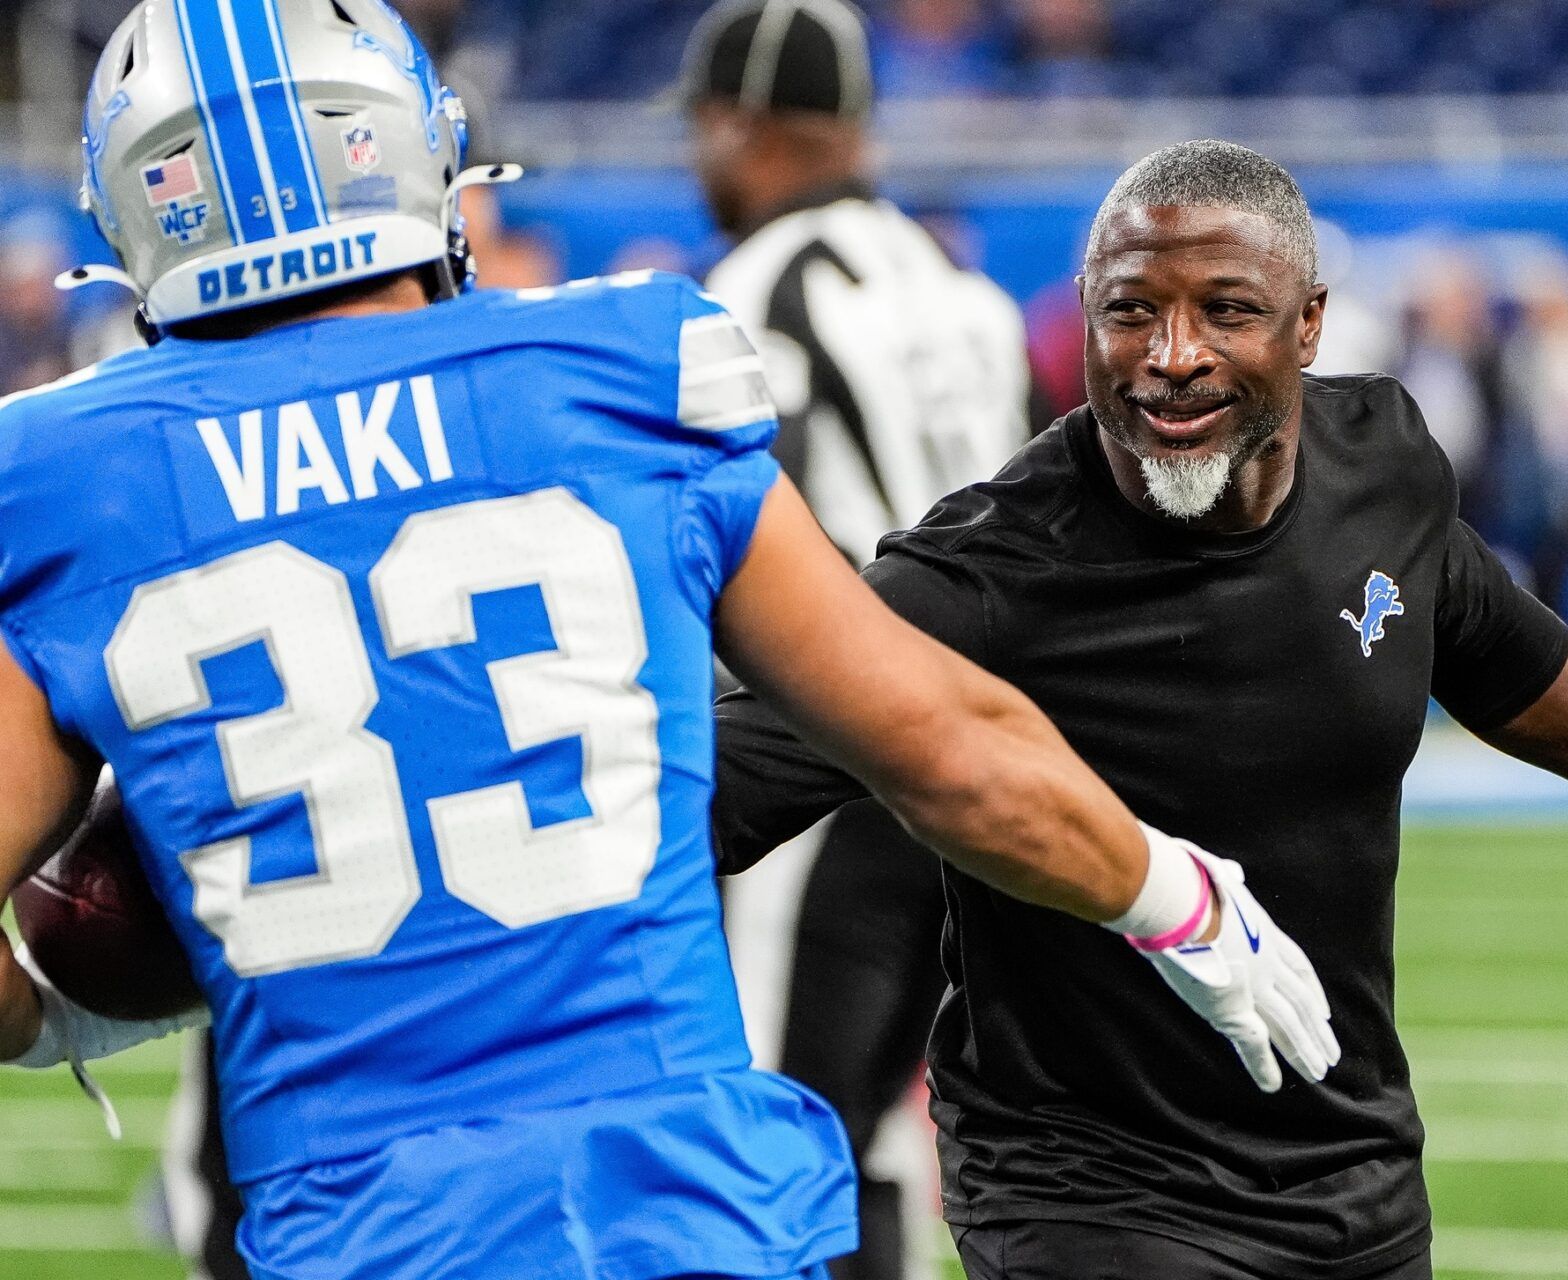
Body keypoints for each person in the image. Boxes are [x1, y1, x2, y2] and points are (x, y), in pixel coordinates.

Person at [0, 9, 1337, 1278]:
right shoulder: (616, 368)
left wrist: (66, 1007)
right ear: (414, 154)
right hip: (679, 1217)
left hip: (360, 1231)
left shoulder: (64, 476)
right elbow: (946, 744)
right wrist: (1175, 898)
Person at [708, 140, 1568, 1280]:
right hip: (1088, 1195)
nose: (1172, 356)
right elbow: (723, 777)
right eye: (1131, 312)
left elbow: (1497, 642)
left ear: (1308, 325)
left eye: (1225, 310)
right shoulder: (988, 572)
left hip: (1354, 1169)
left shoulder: (1385, 462)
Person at [682, 7, 1032, 1279]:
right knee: (880, 1133)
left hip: (827, 764)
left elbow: (722, 546)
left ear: (737, 124)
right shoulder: (961, 286)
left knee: (770, 1139)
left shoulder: (748, 293)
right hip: (980, 758)